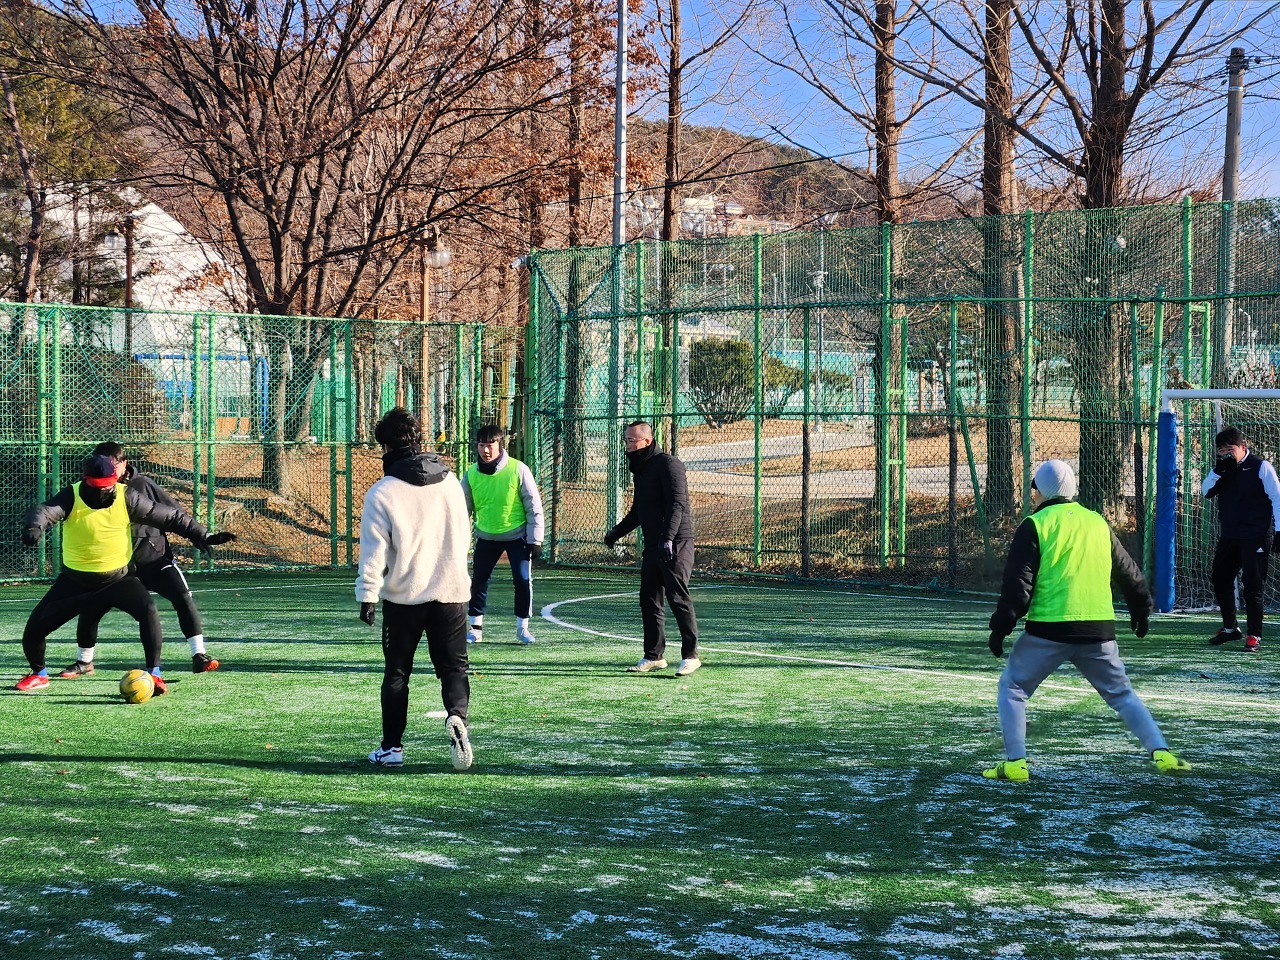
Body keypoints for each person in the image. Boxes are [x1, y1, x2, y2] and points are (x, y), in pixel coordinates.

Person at [984, 459, 1190, 781]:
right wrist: (1141, 609)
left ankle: (1015, 764)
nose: (1033, 494)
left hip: (1048, 630)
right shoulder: (1097, 522)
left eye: (1035, 489)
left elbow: (1018, 586)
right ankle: (1161, 752)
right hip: (1099, 631)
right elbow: (1129, 573)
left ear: (1040, 492)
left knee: (1013, 688)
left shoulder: (1035, 524)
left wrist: (1001, 627)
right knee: (1122, 695)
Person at [15, 453, 223, 694]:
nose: (104, 491)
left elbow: (170, 516)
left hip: (118, 580)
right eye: (98, 487)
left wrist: (202, 534)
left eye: (108, 486)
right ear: (86, 481)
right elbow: (44, 511)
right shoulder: (72, 495)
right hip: (75, 582)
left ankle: (155, 674)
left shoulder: (127, 496)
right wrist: (34, 527)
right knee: (33, 632)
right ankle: (39, 674)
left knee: (149, 611)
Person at [357, 408, 474, 770]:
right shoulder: (450, 483)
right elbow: (463, 534)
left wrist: (367, 596)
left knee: (397, 673)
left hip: (405, 597)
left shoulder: (382, 492)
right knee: (454, 669)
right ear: (419, 440)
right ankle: (456, 716)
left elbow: (374, 551)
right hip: (452, 592)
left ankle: (392, 749)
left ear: (387, 446)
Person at [63, 442, 235, 678]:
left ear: (124, 464)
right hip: (118, 567)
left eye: (112, 464)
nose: (107, 469)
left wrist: (200, 535)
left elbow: (173, 513)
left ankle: (199, 655)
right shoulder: (88, 490)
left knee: (182, 596)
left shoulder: (142, 485)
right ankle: (84, 661)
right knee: (92, 607)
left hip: (153, 559)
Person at [604, 420, 700, 676]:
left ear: (647, 441)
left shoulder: (669, 464)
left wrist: (668, 539)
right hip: (653, 545)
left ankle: (690, 656)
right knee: (649, 599)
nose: (627, 445)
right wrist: (616, 533)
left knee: (677, 597)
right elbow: (639, 511)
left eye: (631, 441)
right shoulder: (641, 469)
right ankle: (654, 656)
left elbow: (677, 504)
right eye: (626, 440)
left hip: (676, 543)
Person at [460, 425, 545, 645]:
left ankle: (522, 628)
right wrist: (457, 540)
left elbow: (533, 506)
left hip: (518, 537)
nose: (486, 450)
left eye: (490, 445)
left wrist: (535, 539)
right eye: (481, 445)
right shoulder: (471, 474)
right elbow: (461, 510)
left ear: (500, 445)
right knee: (478, 581)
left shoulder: (518, 469)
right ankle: (475, 628)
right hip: (486, 537)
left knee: (522, 580)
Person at [1201, 426, 1280, 653]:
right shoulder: (1221, 471)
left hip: (1256, 535)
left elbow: (1277, 498)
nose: (1225, 454)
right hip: (1230, 534)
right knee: (1220, 577)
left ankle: (1254, 635)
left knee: (1252, 585)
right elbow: (1206, 491)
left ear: (1242, 447)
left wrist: (1279, 531)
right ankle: (1230, 629)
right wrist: (1218, 472)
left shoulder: (1261, 467)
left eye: (1230, 449)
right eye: (1221, 451)